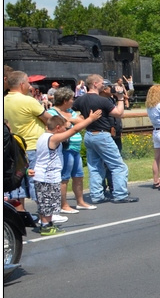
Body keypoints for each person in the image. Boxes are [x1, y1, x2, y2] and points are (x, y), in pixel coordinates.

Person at [33, 111, 102, 235]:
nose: (66, 130)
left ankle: (47, 223)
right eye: (64, 128)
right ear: (58, 128)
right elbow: (74, 130)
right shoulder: (52, 138)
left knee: (47, 201)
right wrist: (90, 119)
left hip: (44, 175)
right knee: (48, 201)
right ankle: (46, 226)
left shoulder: (43, 136)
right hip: (47, 176)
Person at [72, 75, 138, 204]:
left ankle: (97, 195)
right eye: (102, 83)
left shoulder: (81, 99)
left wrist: (82, 120)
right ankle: (120, 194)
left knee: (95, 167)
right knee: (118, 166)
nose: (104, 86)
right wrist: (120, 99)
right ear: (95, 84)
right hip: (102, 136)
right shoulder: (102, 101)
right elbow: (119, 113)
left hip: (89, 134)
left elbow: (69, 111)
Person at [45, 88, 94, 213]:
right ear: (65, 100)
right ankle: (64, 204)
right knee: (64, 177)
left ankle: (80, 201)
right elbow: (63, 125)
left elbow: (81, 122)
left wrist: (70, 120)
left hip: (75, 147)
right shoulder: (52, 112)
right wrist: (72, 121)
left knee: (78, 176)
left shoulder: (70, 111)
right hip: (65, 148)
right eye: (71, 99)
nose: (73, 101)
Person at [4, 71, 49, 205]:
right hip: (32, 145)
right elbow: (48, 119)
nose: (30, 86)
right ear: (22, 84)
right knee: (37, 181)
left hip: (14, 147)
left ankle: (21, 212)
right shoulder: (28, 101)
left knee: (18, 183)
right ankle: (44, 214)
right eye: (28, 83)